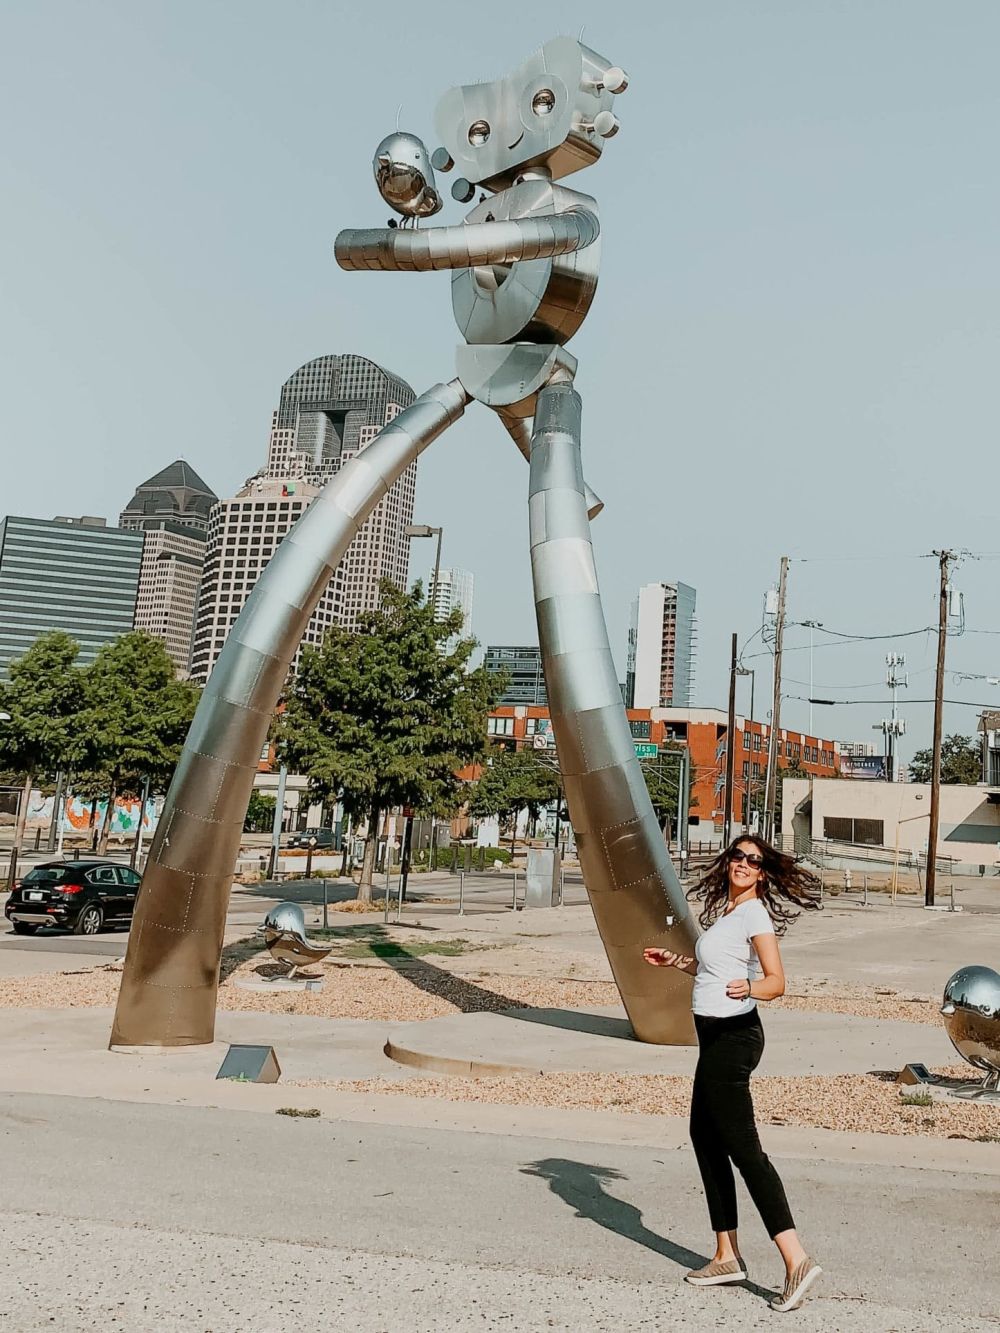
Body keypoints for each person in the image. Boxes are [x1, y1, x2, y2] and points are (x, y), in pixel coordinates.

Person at [644, 834, 823, 1313]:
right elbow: (710, 972)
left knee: (744, 1149)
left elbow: (777, 981)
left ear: (762, 872)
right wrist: (675, 960)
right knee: (704, 1137)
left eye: (754, 861)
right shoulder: (729, 914)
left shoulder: (755, 914)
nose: (744, 864)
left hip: (735, 1038)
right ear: (728, 862)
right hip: (715, 1039)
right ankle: (726, 1255)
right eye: (739, 857)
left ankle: (796, 1260)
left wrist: (753, 987)